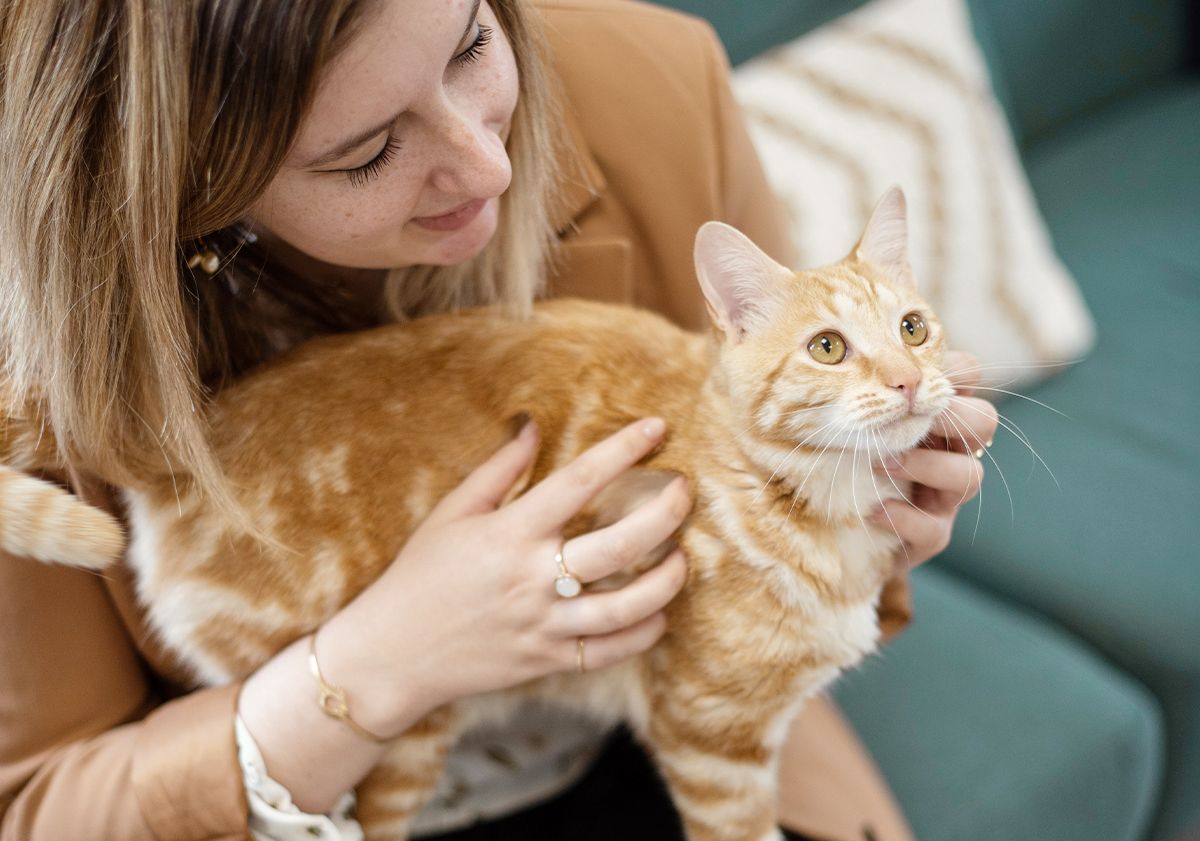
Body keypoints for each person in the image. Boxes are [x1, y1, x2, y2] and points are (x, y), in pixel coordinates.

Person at [0, 1, 998, 840]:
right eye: (368, 152)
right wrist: (373, 664)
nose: (488, 165)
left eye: (473, 44)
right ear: (188, 189)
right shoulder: (30, 344)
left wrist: (872, 520)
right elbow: (41, 803)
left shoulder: (660, 83)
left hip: (669, 733)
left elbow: (783, 559)